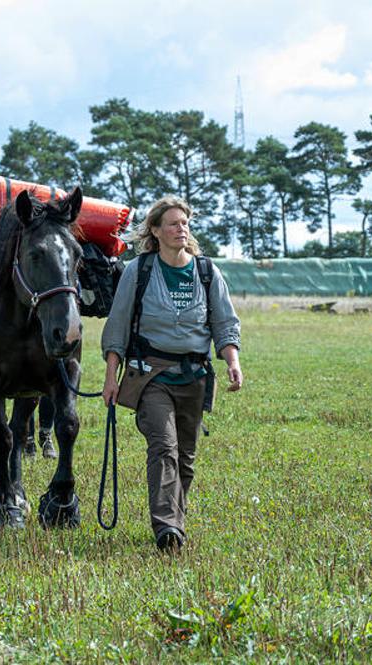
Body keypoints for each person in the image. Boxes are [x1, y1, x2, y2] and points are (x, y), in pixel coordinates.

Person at [101, 196, 242, 553]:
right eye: (174, 223)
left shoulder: (207, 271)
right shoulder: (139, 270)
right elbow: (117, 325)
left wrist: (232, 361)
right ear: (156, 231)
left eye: (185, 223)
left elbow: (224, 322)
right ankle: (168, 530)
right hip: (151, 376)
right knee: (164, 448)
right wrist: (110, 377)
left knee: (186, 460)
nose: (182, 229)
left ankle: (174, 519)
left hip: (194, 376)